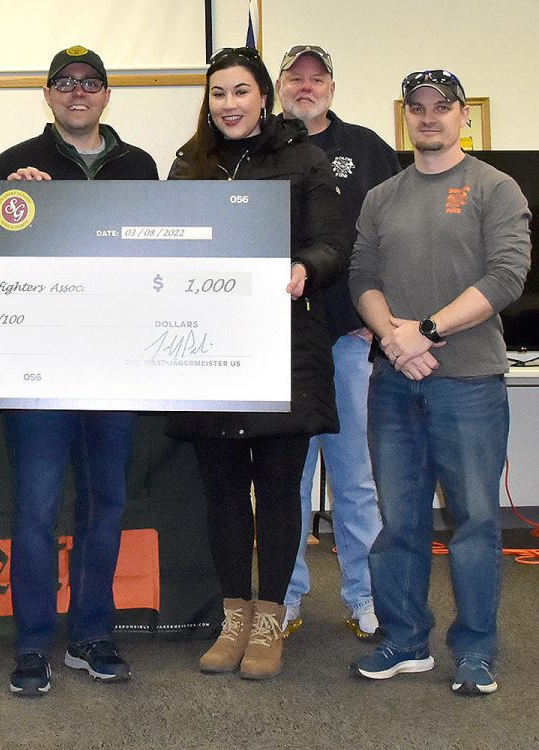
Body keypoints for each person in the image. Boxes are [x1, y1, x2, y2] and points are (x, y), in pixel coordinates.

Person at [166, 46, 347, 680]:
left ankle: (270, 619)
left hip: (282, 349)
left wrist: (306, 269)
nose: (229, 105)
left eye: (240, 92)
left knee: (276, 492)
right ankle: (233, 616)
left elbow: (334, 245)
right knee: (220, 492)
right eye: (218, 94)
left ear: (263, 96)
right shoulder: (190, 164)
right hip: (206, 350)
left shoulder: (303, 158)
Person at [0, 45, 159, 697]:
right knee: (34, 508)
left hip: (116, 363)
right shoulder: (14, 164)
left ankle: (91, 635)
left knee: (104, 504)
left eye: (90, 83)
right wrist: (8, 202)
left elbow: (159, 258)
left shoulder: (139, 166)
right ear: (49, 95)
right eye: (65, 83)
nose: (77, 92)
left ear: (106, 95)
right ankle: (33, 643)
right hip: (38, 367)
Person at [350, 69, 529, 696]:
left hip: (469, 383)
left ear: (463, 117)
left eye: (442, 107)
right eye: (418, 108)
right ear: (406, 116)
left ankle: (476, 650)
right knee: (399, 520)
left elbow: (508, 276)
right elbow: (361, 276)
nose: (430, 117)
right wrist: (395, 340)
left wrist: (424, 331)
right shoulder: (382, 196)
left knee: (476, 520)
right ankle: (404, 639)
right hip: (395, 382)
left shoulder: (494, 188)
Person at [274, 44, 402, 640]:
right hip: (279, 342)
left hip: (348, 339)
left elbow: (392, 238)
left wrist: (375, 317)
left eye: (316, 77)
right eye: (294, 77)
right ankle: (287, 596)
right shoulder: (262, 145)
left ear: (332, 85)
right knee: (288, 479)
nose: (306, 86)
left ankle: (365, 596)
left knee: (354, 477)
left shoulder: (368, 148)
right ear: (278, 85)